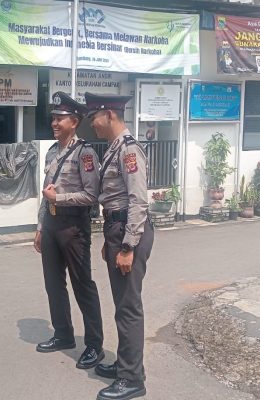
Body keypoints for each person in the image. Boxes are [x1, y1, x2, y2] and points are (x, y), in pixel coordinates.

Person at [85, 92, 154, 400]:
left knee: (128, 307)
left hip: (129, 231)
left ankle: (132, 379)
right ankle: (125, 364)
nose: (93, 124)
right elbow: (114, 200)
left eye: (94, 117)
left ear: (109, 114)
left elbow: (138, 200)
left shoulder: (128, 150)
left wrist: (126, 245)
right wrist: (110, 241)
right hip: (118, 228)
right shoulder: (115, 149)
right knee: (122, 305)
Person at [33, 91, 105, 370]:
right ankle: (63, 334)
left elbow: (92, 195)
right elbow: (44, 194)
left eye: (60, 118)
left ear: (74, 121)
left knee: (82, 286)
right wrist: (40, 227)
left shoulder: (85, 153)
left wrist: (59, 200)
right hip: (51, 225)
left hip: (74, 227)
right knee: (53, 284)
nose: (54, 122)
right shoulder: (52, 151)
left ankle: (95, 345)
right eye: (53, 117)